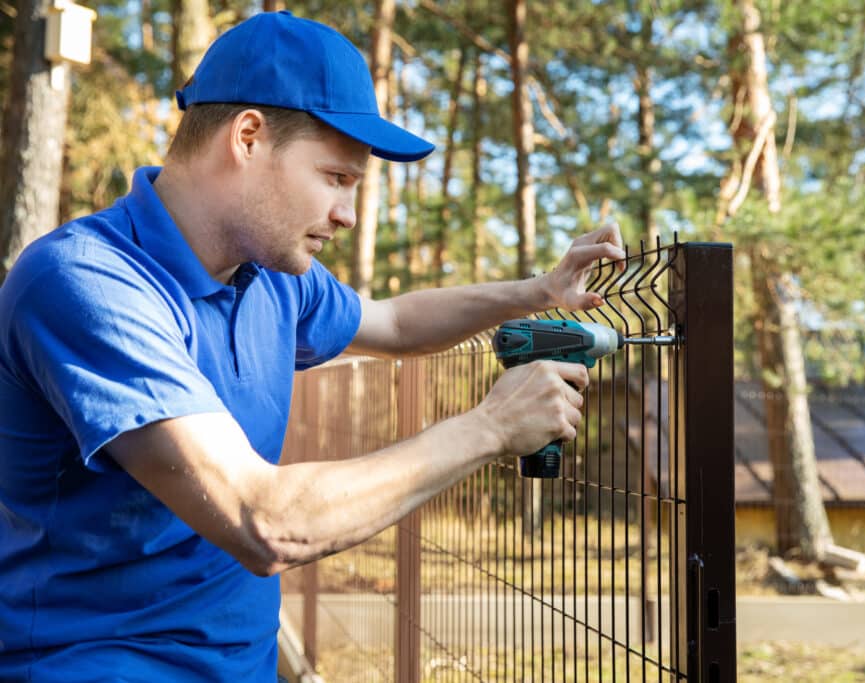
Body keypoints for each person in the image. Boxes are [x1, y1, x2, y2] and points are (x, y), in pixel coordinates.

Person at [0, 10, 624, 681]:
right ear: (248, 137)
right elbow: (262, 518)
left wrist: (536, 291)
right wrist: (492, 426)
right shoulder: (88, 283)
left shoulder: (270, 276)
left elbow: (394, 322)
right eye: (337, 177)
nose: (348, 213)